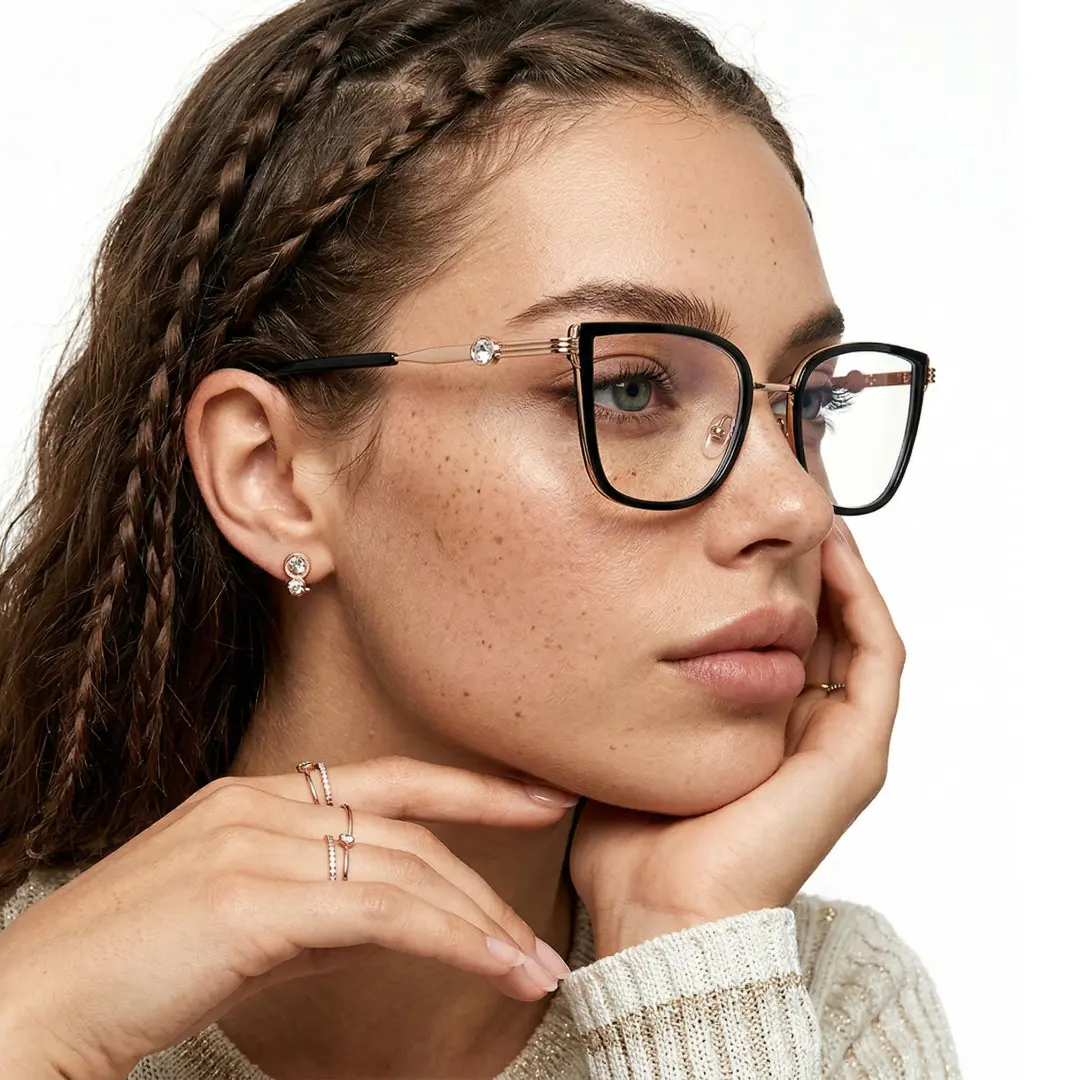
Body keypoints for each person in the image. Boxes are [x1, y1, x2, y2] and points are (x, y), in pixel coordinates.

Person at [0, 0, 963, 1077]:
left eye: (810, 402)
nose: (795, 507)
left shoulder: (815, 1008)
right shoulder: (25, 999)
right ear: (271, 478)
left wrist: (689, 959)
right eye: (630, 389)